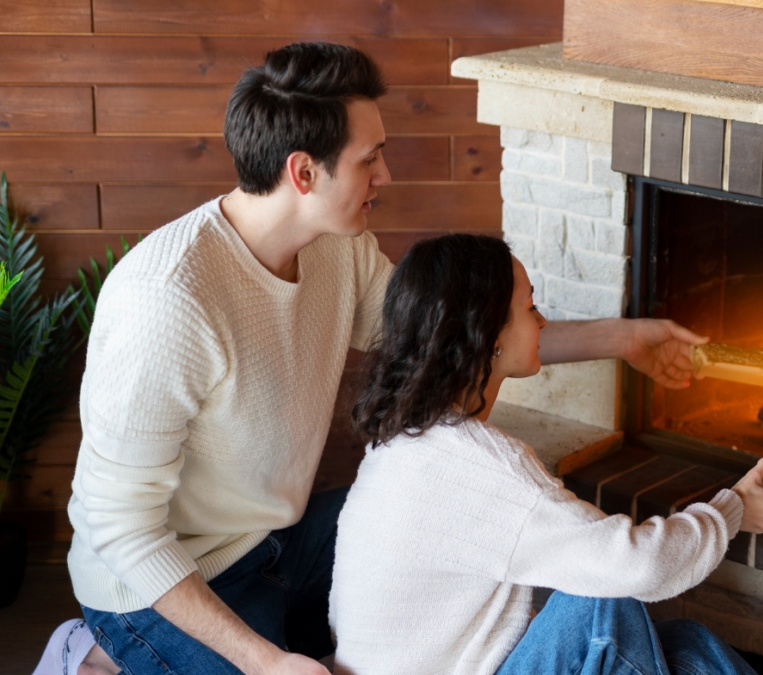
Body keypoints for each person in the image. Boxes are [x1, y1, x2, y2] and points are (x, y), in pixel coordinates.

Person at [33, 42, 707, 675]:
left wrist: (621, 339)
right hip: (157, 585)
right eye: (370, 159)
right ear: (303, 171)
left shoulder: (337, 246)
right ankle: (95, 655)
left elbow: (460, 339)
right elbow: (122, 532)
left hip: (280, 538)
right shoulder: (168, 301)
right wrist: (265, 662)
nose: (385, 175)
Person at [329, 234, 763, 675]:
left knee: (685, 643)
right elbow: (636, 566)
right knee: (601, 604)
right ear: (490, 334)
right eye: (530, 307)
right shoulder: (477, 464)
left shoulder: (406, 441)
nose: (540, 321)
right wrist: (733, 509)